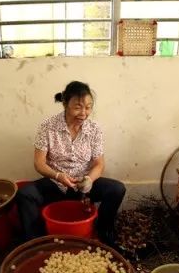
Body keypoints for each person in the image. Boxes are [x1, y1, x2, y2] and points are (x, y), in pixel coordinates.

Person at [16, 81, 126, 244]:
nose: (84, 113)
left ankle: (103, 232)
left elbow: (99, 164)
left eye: (88, 107)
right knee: (25, 194)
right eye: (78, 107)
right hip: (55, 184)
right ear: (65, 104)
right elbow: (39, 163)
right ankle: (36, 242)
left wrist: (89, 180)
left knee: (117, 189)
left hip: (83, 185)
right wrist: (58, 175)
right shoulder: (47, 127)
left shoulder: (94, 129)